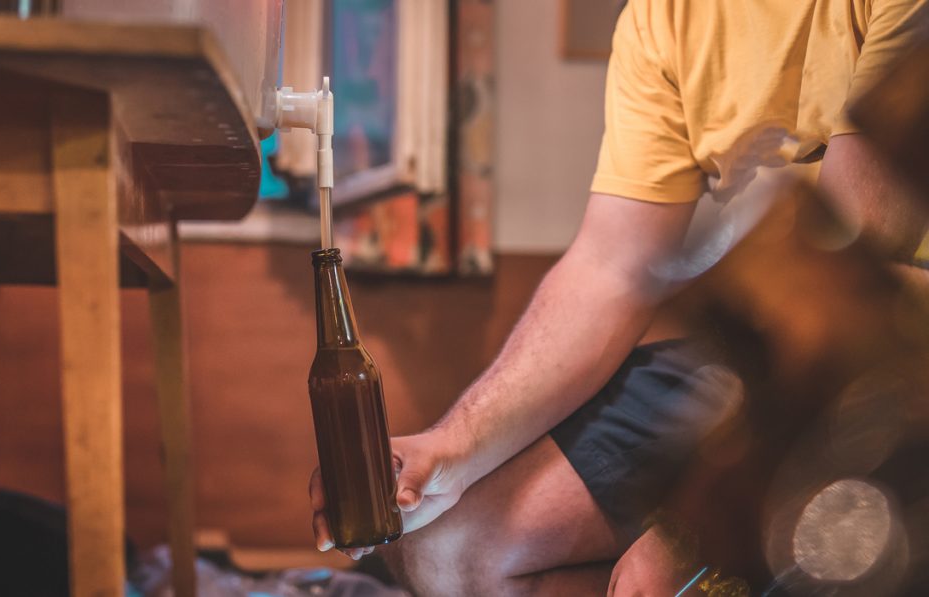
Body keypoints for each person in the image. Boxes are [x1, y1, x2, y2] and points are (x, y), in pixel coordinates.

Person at [310, 0, 929, 594]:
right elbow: (611, 267)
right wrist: (452, 450)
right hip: (753, 340)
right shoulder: (658, 16)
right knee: (440, 549)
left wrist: (690, 532)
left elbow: (857, 262)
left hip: (897, 331)